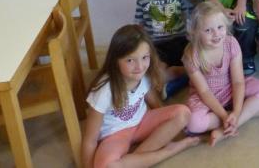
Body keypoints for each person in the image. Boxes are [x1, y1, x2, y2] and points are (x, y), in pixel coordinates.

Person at [81, 25, 199, 168]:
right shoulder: (104, 90)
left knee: (183, 113)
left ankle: (135, 160)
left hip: (142, 122)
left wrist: (167, 121)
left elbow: (156, 104)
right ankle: (169, 150)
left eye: (144, 58)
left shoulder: (144, 75)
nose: (140, 66)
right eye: (130, 60)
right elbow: (90, 140)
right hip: (115, 135)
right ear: (115, 60)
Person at [182, 2, 259, 146]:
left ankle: (230, 124)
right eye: (208, 30)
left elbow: (238, 81)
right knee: (193, 123)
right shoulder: (191, 55)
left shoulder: (231, 43)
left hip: (230, 88)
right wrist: (225, 116)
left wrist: (236, 112)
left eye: (220, 27)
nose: (216, 34)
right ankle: (248, 113)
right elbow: (204, 91)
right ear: (195, 32)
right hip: (206, 97)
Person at [134, 0, 190, 99]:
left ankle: (176, 82)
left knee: (199, 62)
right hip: (156, 45)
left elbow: (186, 18)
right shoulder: (143, 0)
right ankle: (182, 76)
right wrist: (138, 44)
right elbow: (138, 24)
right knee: (156, 75)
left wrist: (192, 37)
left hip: (180, 41)